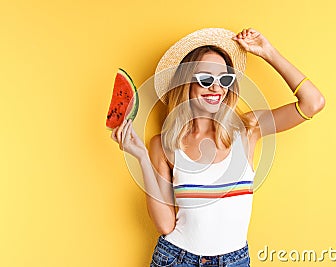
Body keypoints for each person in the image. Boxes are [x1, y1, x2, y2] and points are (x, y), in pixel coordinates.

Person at [111, 27, 325, 266]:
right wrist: (141, 157)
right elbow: (165, 225)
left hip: (235, 260)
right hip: (176, 258)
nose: (216, 88)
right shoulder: (163, 144)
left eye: (225, 79)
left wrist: (268, 52)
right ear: (186, 83)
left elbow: (313, 102)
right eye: (205, 79)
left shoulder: (248, 129)